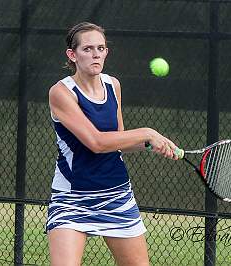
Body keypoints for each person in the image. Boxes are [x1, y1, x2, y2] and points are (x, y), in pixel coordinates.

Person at [46, 22, 178, 266]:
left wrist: (150, 144)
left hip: (116, 195)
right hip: (73, 198)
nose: (96, 54)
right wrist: (147, 132)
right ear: (72, 55)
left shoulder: (112, 85)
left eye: (101, 48)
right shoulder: (61, 92)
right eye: (87, 49)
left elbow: (118, 139)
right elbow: (96, 142)